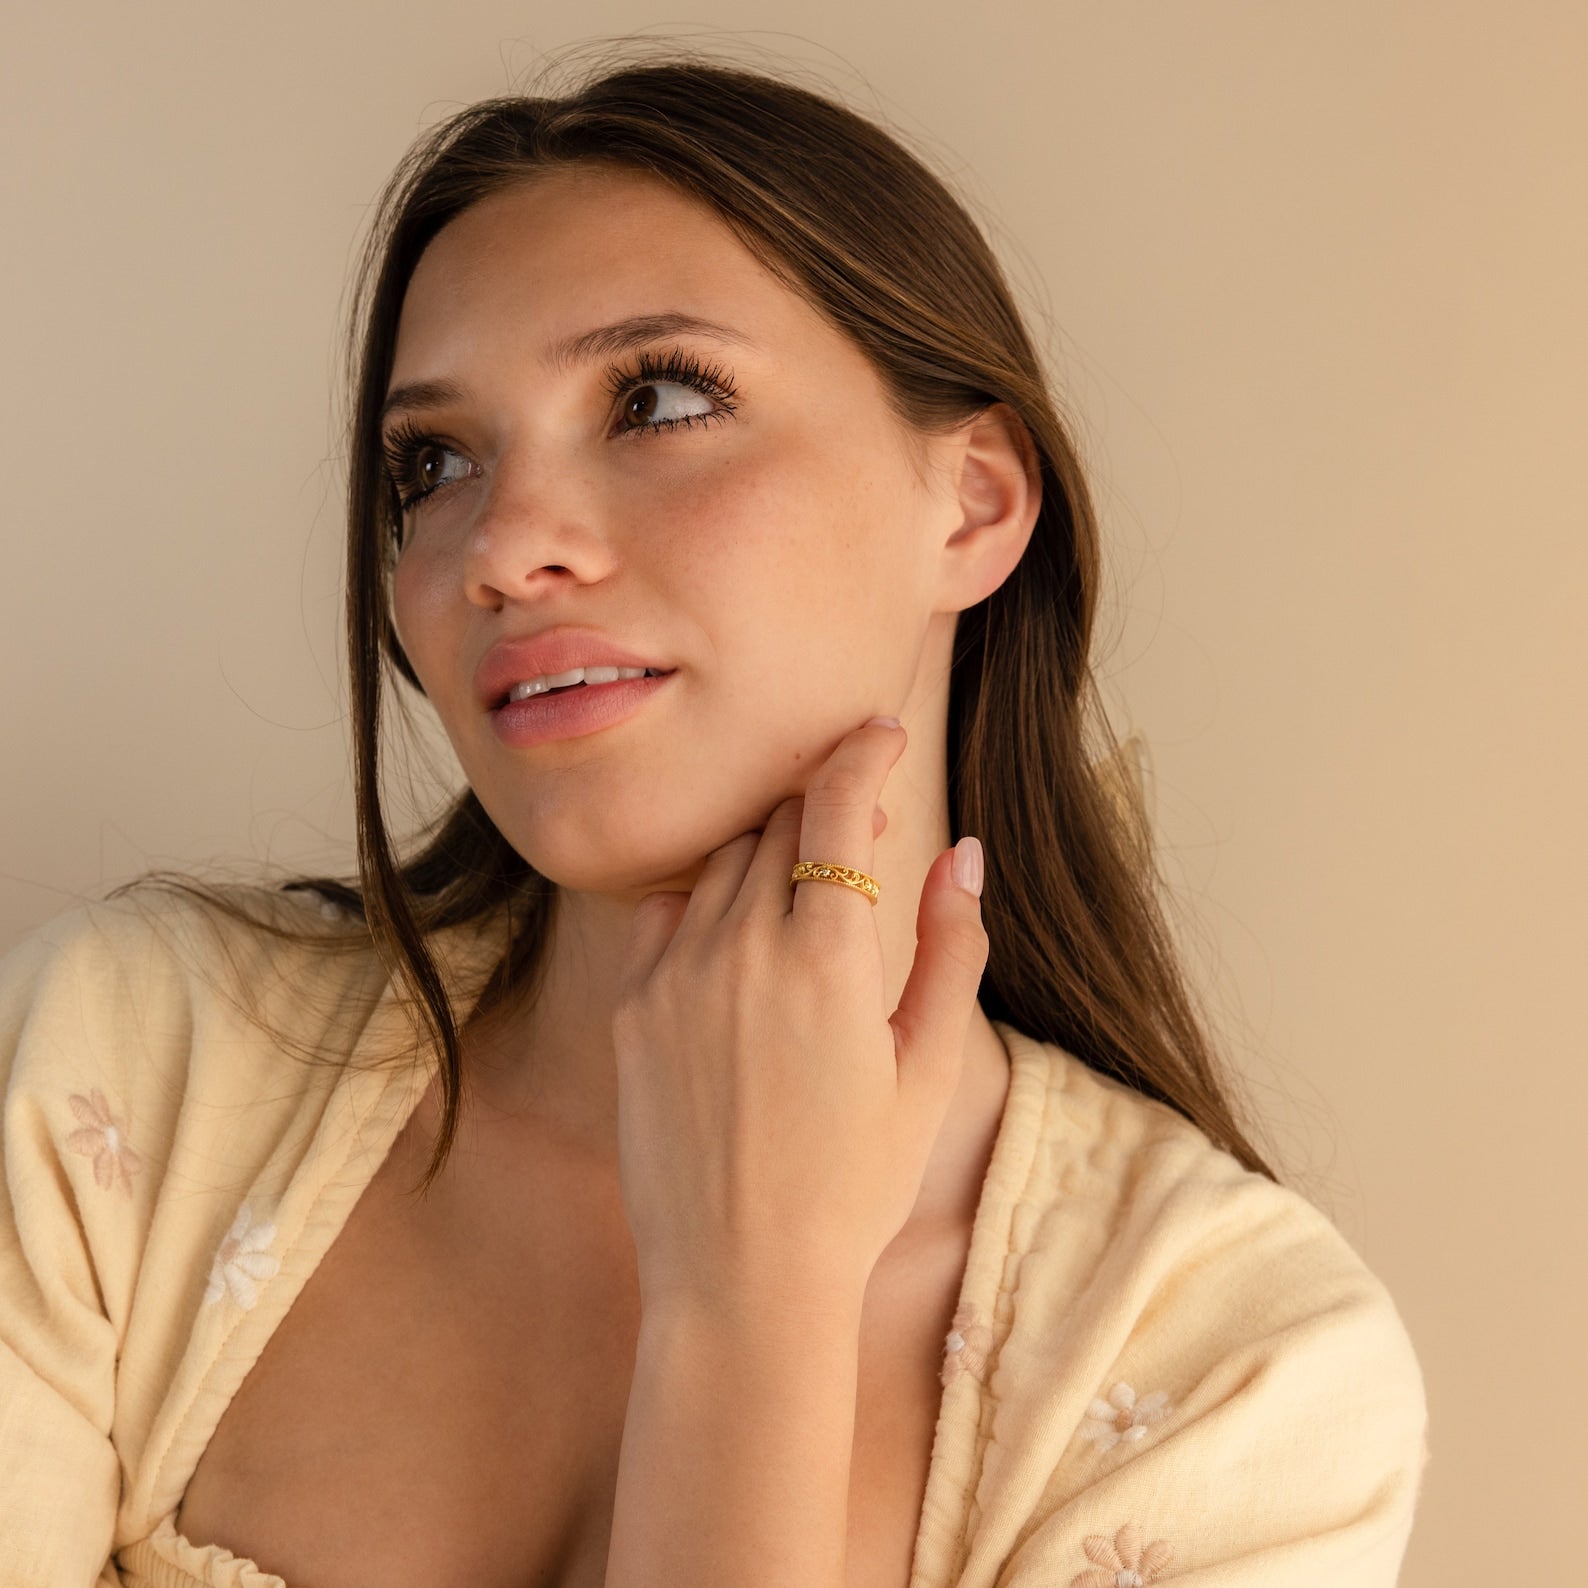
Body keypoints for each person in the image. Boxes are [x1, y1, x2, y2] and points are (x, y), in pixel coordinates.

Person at [0, 47, 1428, 1588]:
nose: (503, 547)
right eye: (436, 464)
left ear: (974, 504)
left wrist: (751, 1312)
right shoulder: (126, 1075)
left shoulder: (1235, 1377)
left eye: (658, 397)